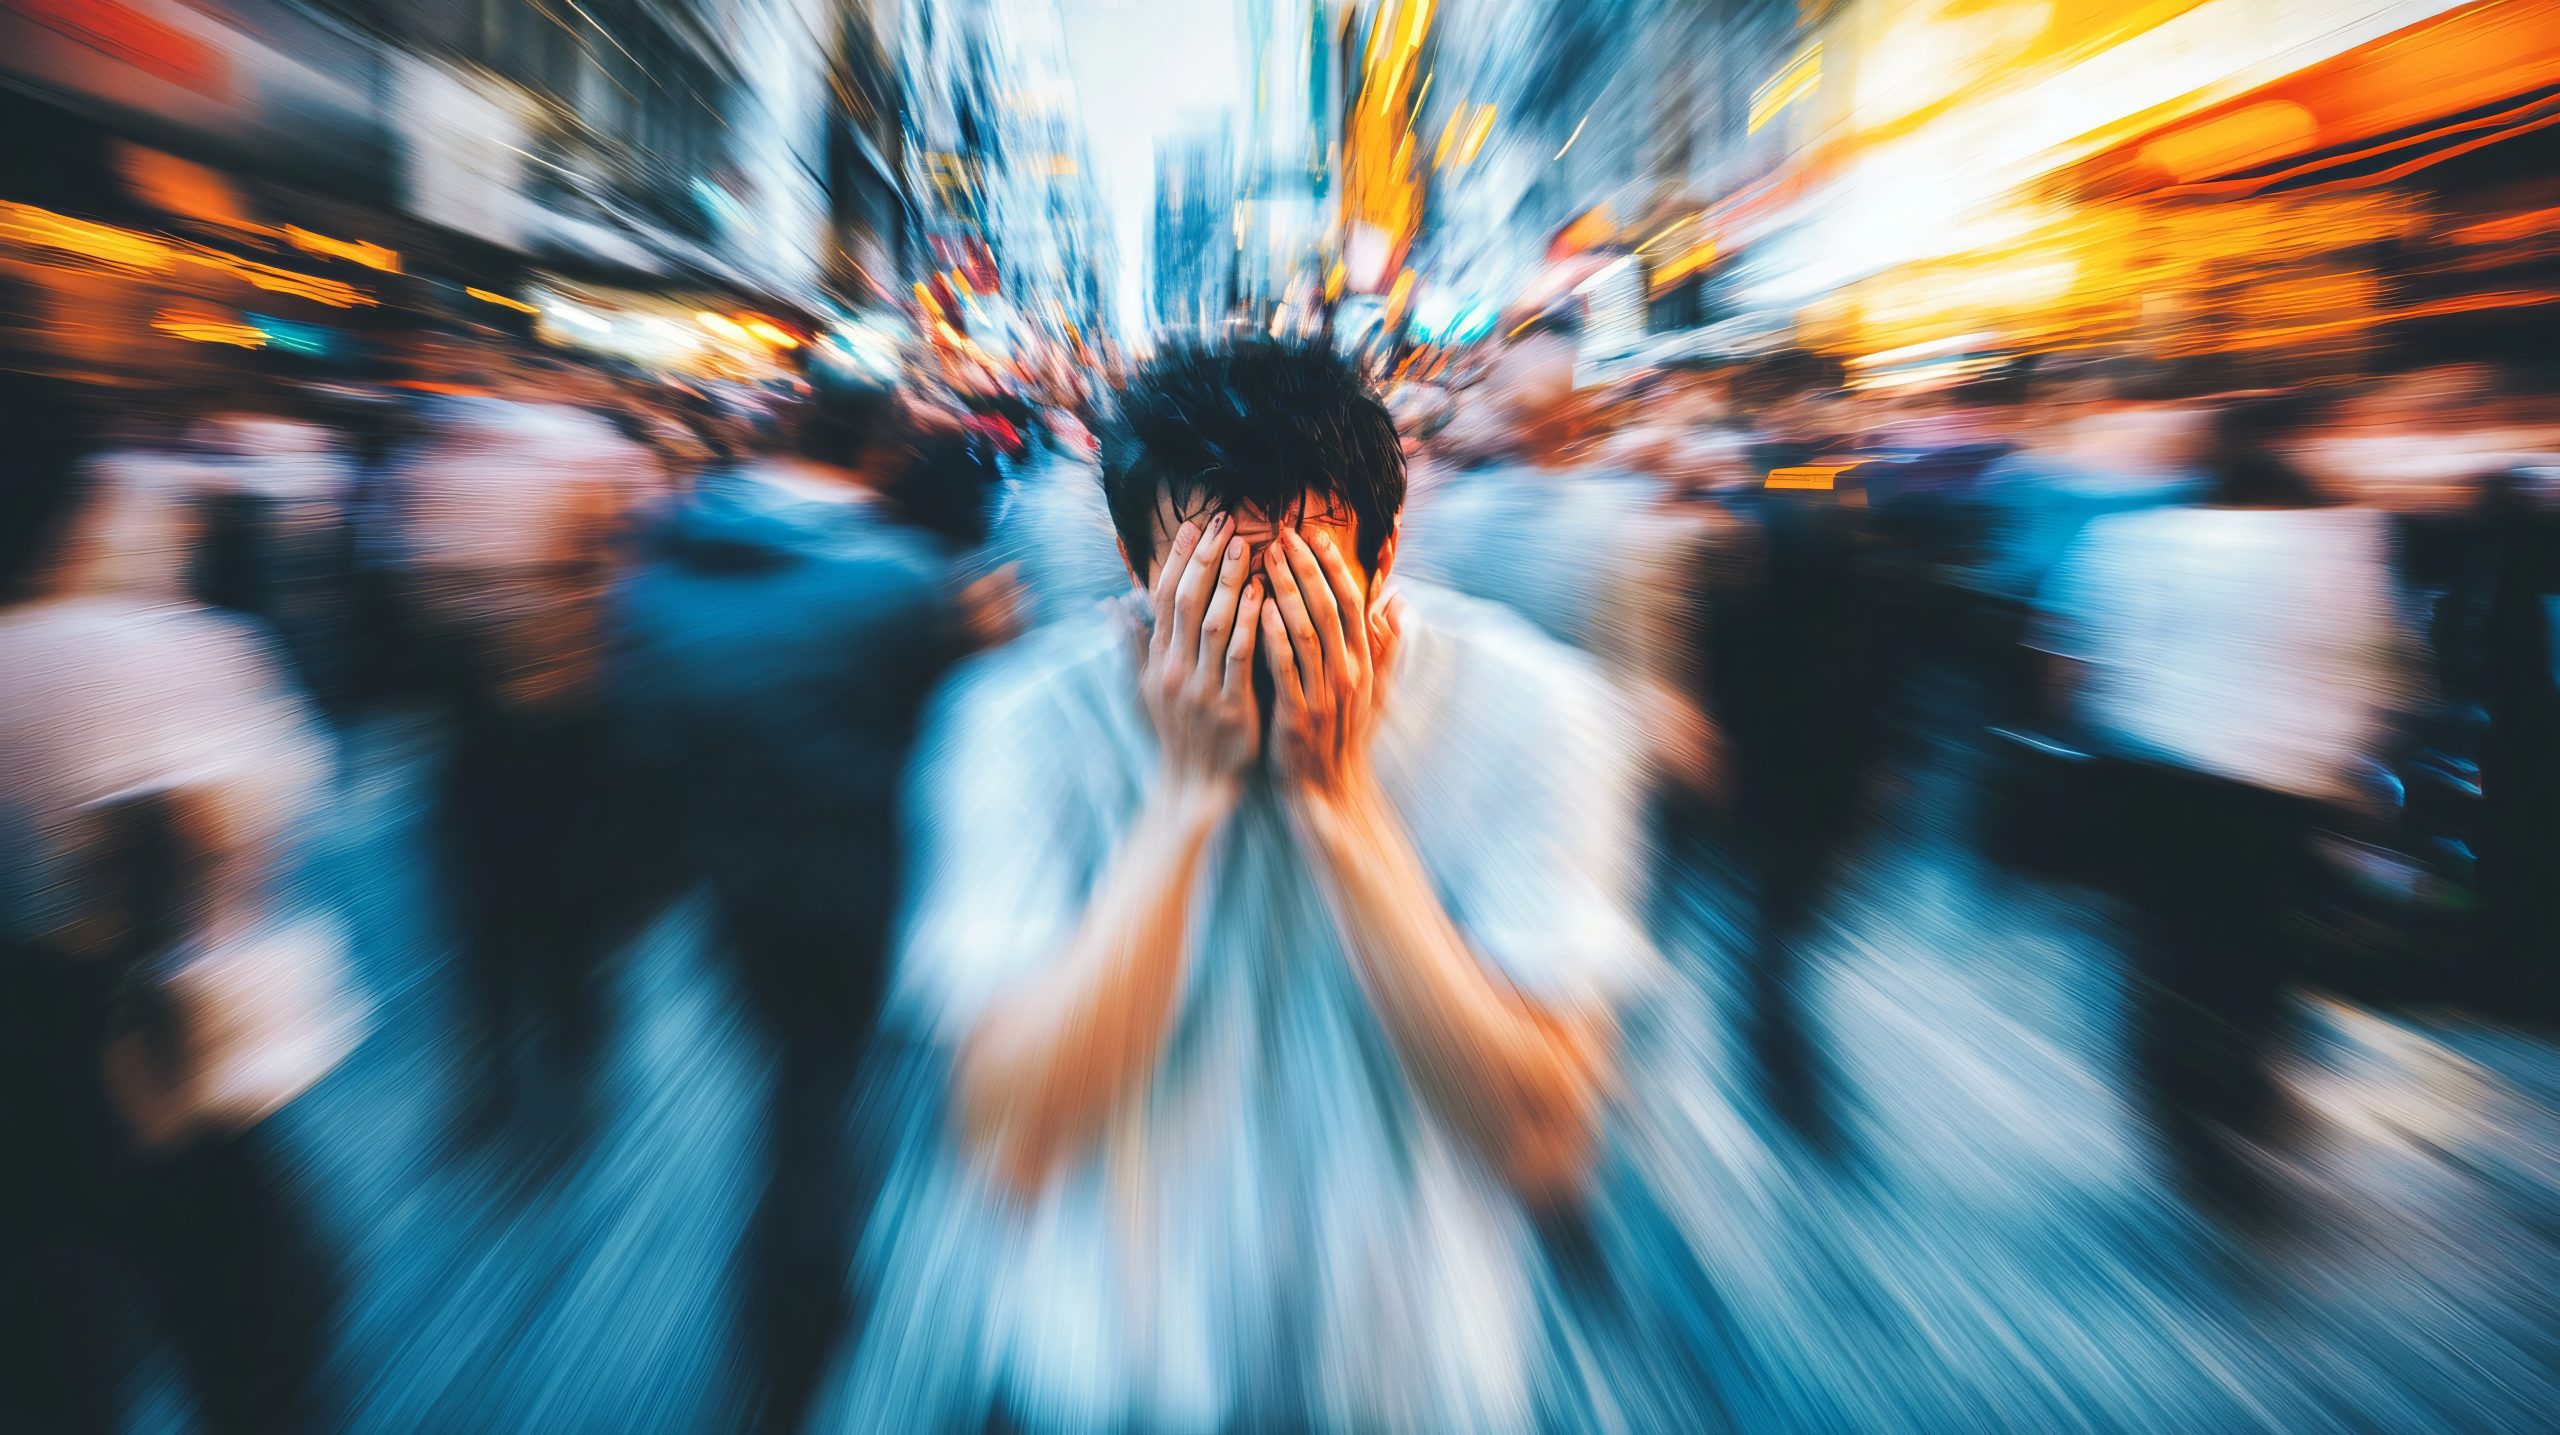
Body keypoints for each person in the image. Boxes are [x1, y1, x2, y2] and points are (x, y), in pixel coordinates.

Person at [837, 340, 1653, 1433]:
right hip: (1108, 1374)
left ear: (1387, 549)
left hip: (1408, 1378)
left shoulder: (1534, 715)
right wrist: (1182, 807)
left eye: (1309, 592)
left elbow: (1539, 1137)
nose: (1259, 637)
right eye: (1212, 593)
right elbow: (1010, 1132)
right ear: (1134, 569)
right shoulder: (1021, 727)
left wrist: (1341, 806)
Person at [610, 363, 1017, 1435]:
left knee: (796, 1095)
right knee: (846, 1109)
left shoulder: (669, 551)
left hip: (733, 884)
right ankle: (824, 1338)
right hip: (865, 884)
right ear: (879, 452)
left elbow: (642, 722)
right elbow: (962, 738)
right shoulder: (896, 580)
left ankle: (784, 1345)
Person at [0, 363, 362, 1434]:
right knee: (265, 1324)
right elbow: (248, 839)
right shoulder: (150, 650)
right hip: (150, 1054)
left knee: (53, 1358)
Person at [2033, 392, 2423, 1205]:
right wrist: (2359, 769)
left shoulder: (2133, 540)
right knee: (2263, 949)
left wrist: (2081, 743)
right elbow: (2387, 675)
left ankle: (2180, 1110)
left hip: (2162, 776)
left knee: (2167, 947)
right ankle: (2244, 1088)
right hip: (2293, 787)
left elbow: (2075, 665)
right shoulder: (2352, 543)